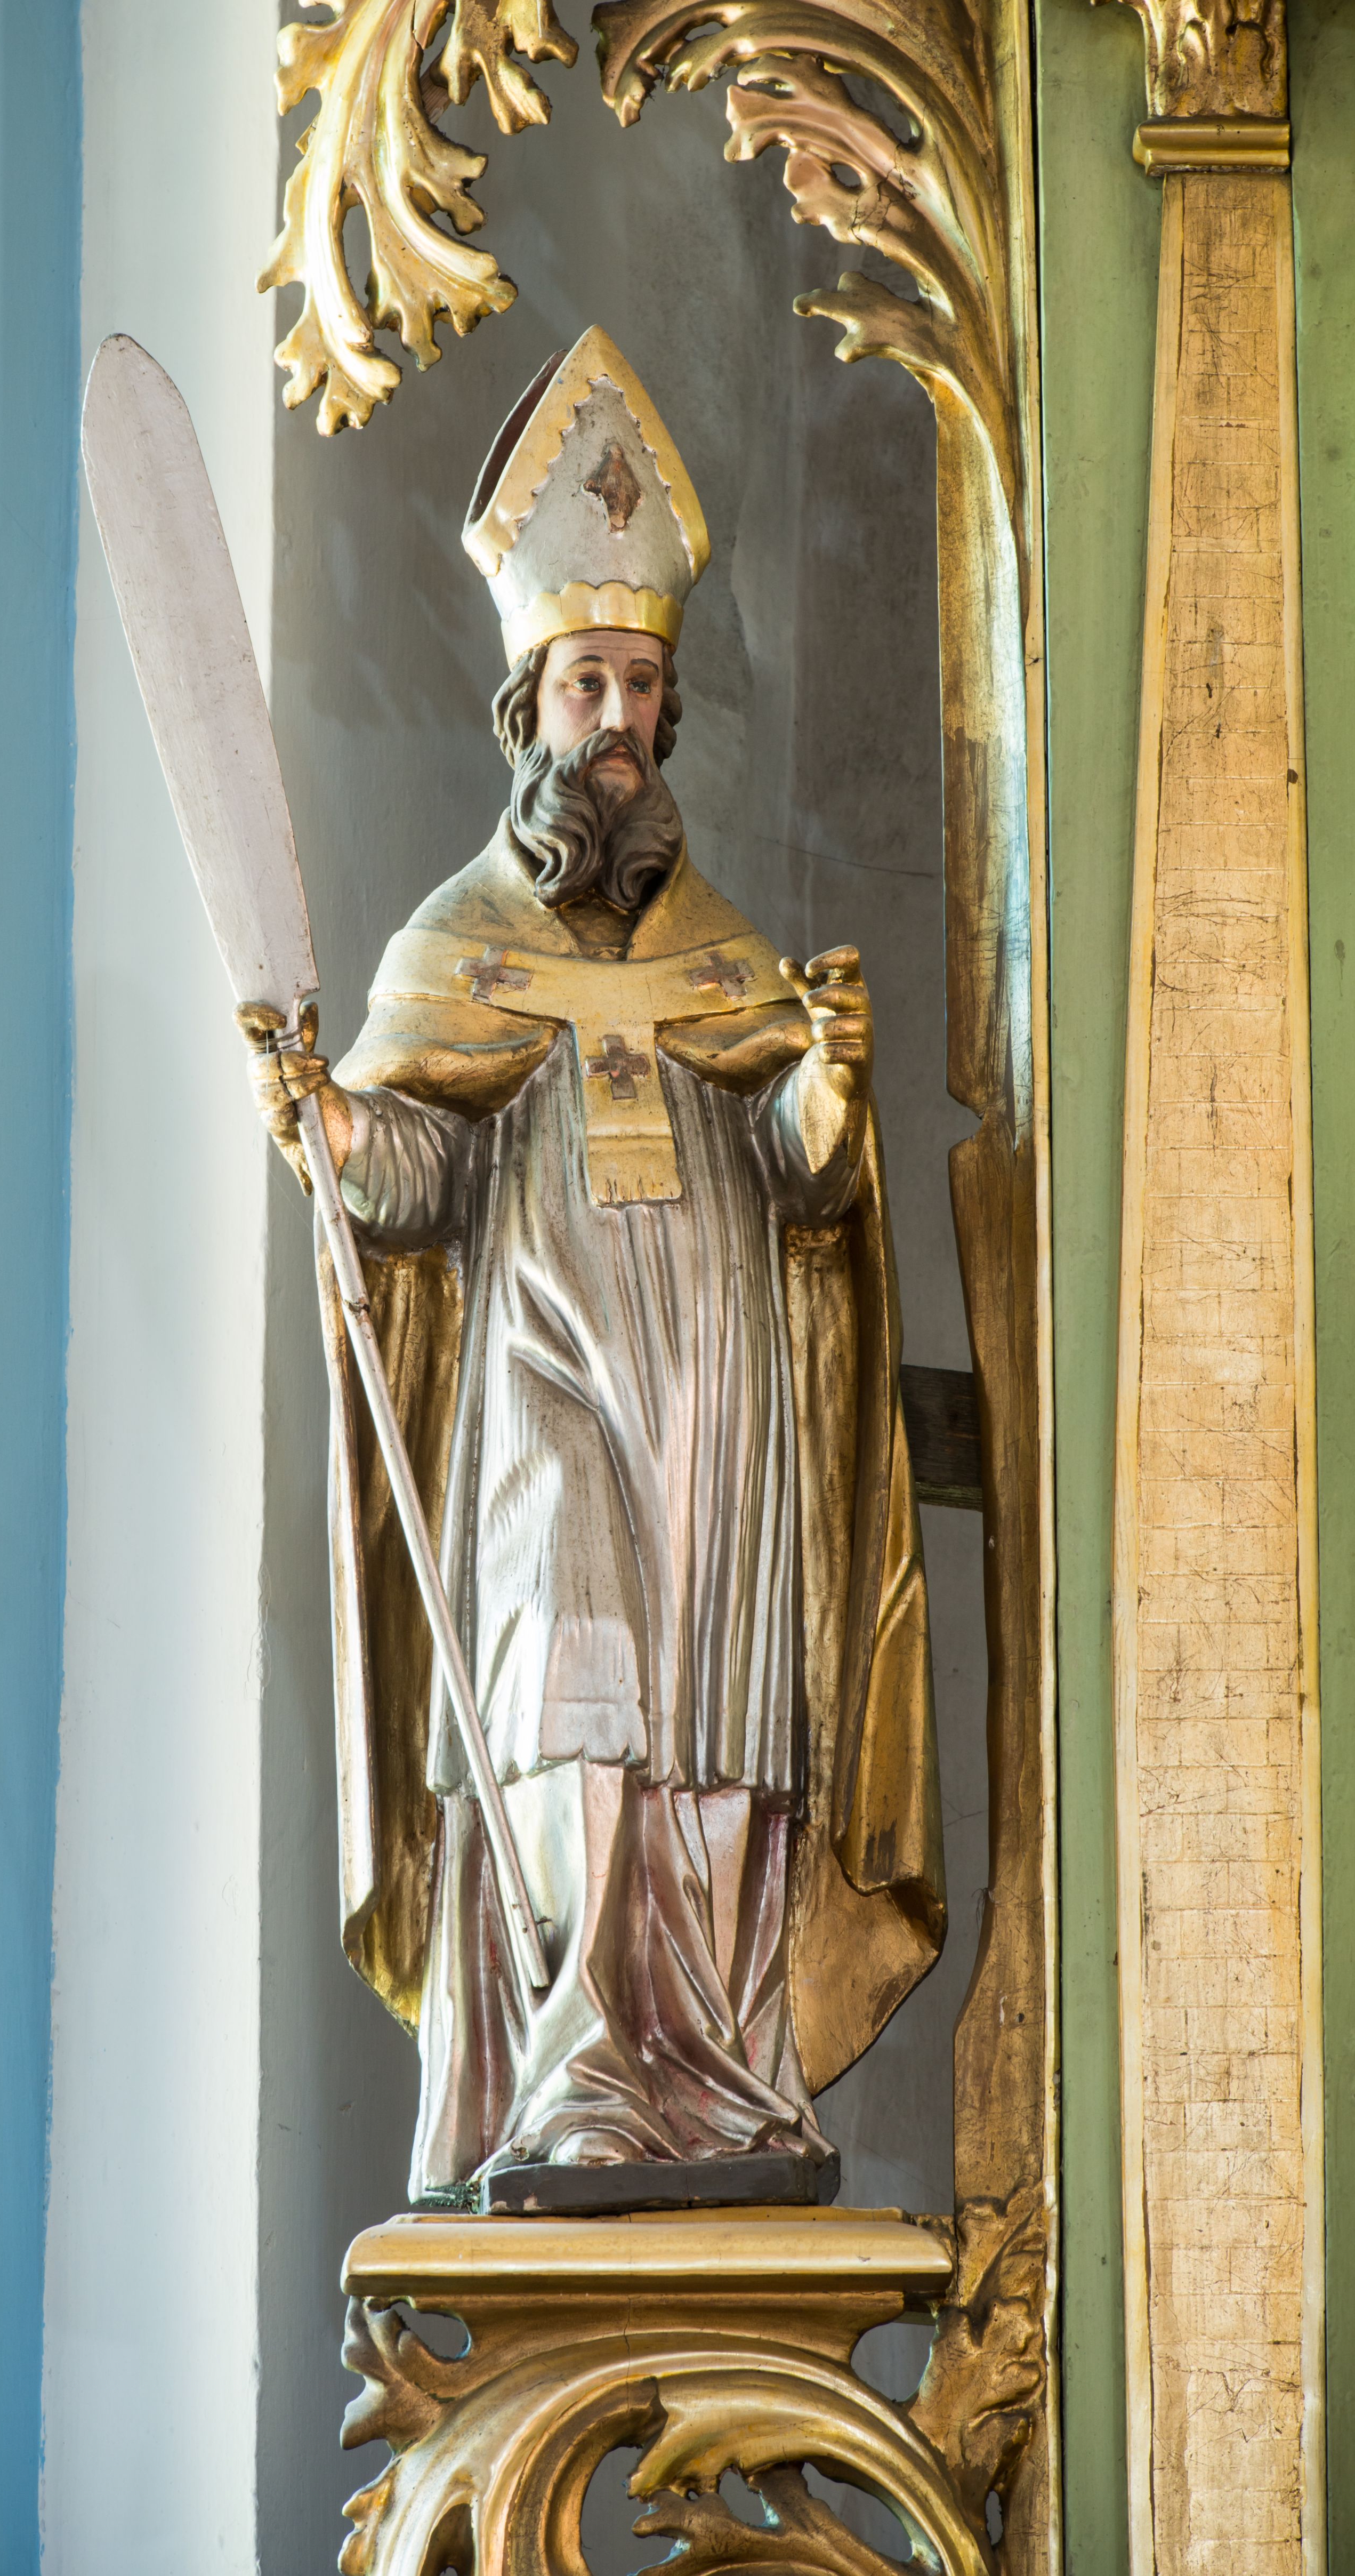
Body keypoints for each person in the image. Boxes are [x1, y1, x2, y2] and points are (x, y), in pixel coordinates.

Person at [243, 328, 945, 2205]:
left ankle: (710, 2073)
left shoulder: (736, 960)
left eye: (640, 685)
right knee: (570, 1671)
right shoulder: (452, 953)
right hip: (547, 1377)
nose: (615, 720)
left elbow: (810, 1193)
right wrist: (335, 1126)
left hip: (718, 1403)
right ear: (527, 713)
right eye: (585, 685)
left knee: (709, 1712)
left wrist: (829, 1085)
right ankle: (572, 2070)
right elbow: (415, 1182)